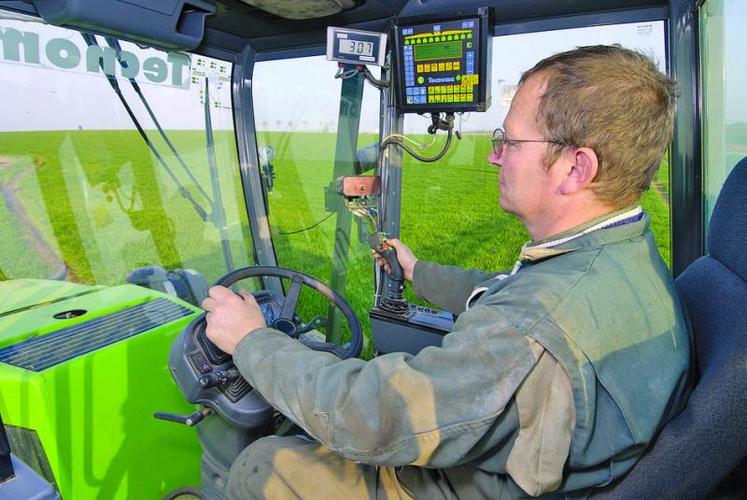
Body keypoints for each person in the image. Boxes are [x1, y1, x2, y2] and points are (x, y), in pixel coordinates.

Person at [201, 45, 691, 498]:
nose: (493, 155)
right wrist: (418, 271)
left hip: (459, 487)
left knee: (264, 463)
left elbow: (369, 418)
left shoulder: (529, 331)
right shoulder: (617, 256)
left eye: (510, 141)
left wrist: (253, 342)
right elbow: (506, 290)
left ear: (575, 169)